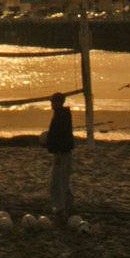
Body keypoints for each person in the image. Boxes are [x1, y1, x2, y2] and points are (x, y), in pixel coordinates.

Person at [44, 91, 75, 221]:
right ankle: (67, 207)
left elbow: (59, 137)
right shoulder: (62, 114)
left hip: (61, 153)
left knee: (57, 183)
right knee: (63, 181)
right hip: (63, 152)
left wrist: (54, 149)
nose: (51, 104)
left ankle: (61, 210)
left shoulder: (61, 116)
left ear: (58, 103)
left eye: (52, 102)